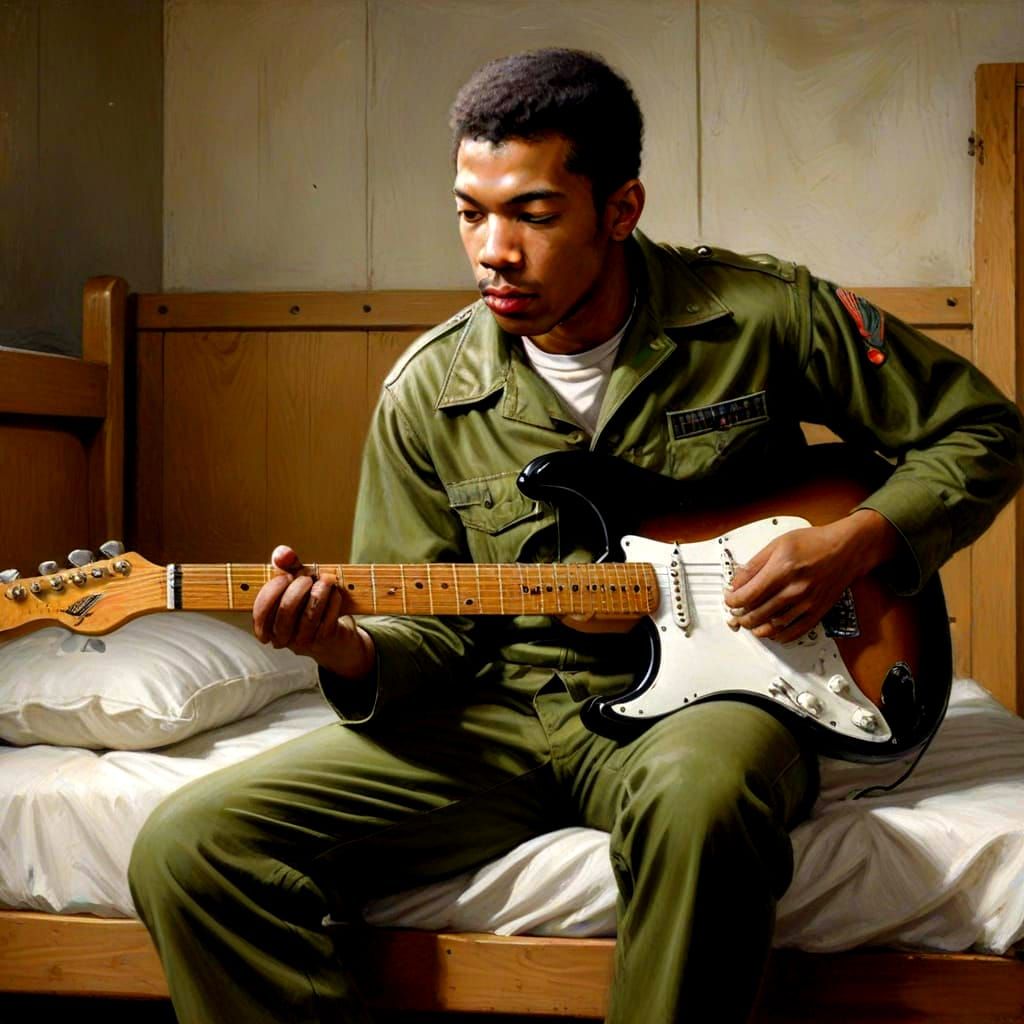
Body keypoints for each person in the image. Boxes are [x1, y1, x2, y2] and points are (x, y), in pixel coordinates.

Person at [129, 48, 1024, 1023]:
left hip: (710, 700)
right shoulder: (426, 391)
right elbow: (429, 629)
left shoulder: (761, 313)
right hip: (501, 715)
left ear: (620, 208)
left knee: (698, 804)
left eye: (532, 214)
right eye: (470, 212)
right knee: (187, 845)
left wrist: (856, 543)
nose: (490, 251)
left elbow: (980, 430)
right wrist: (340, 645)